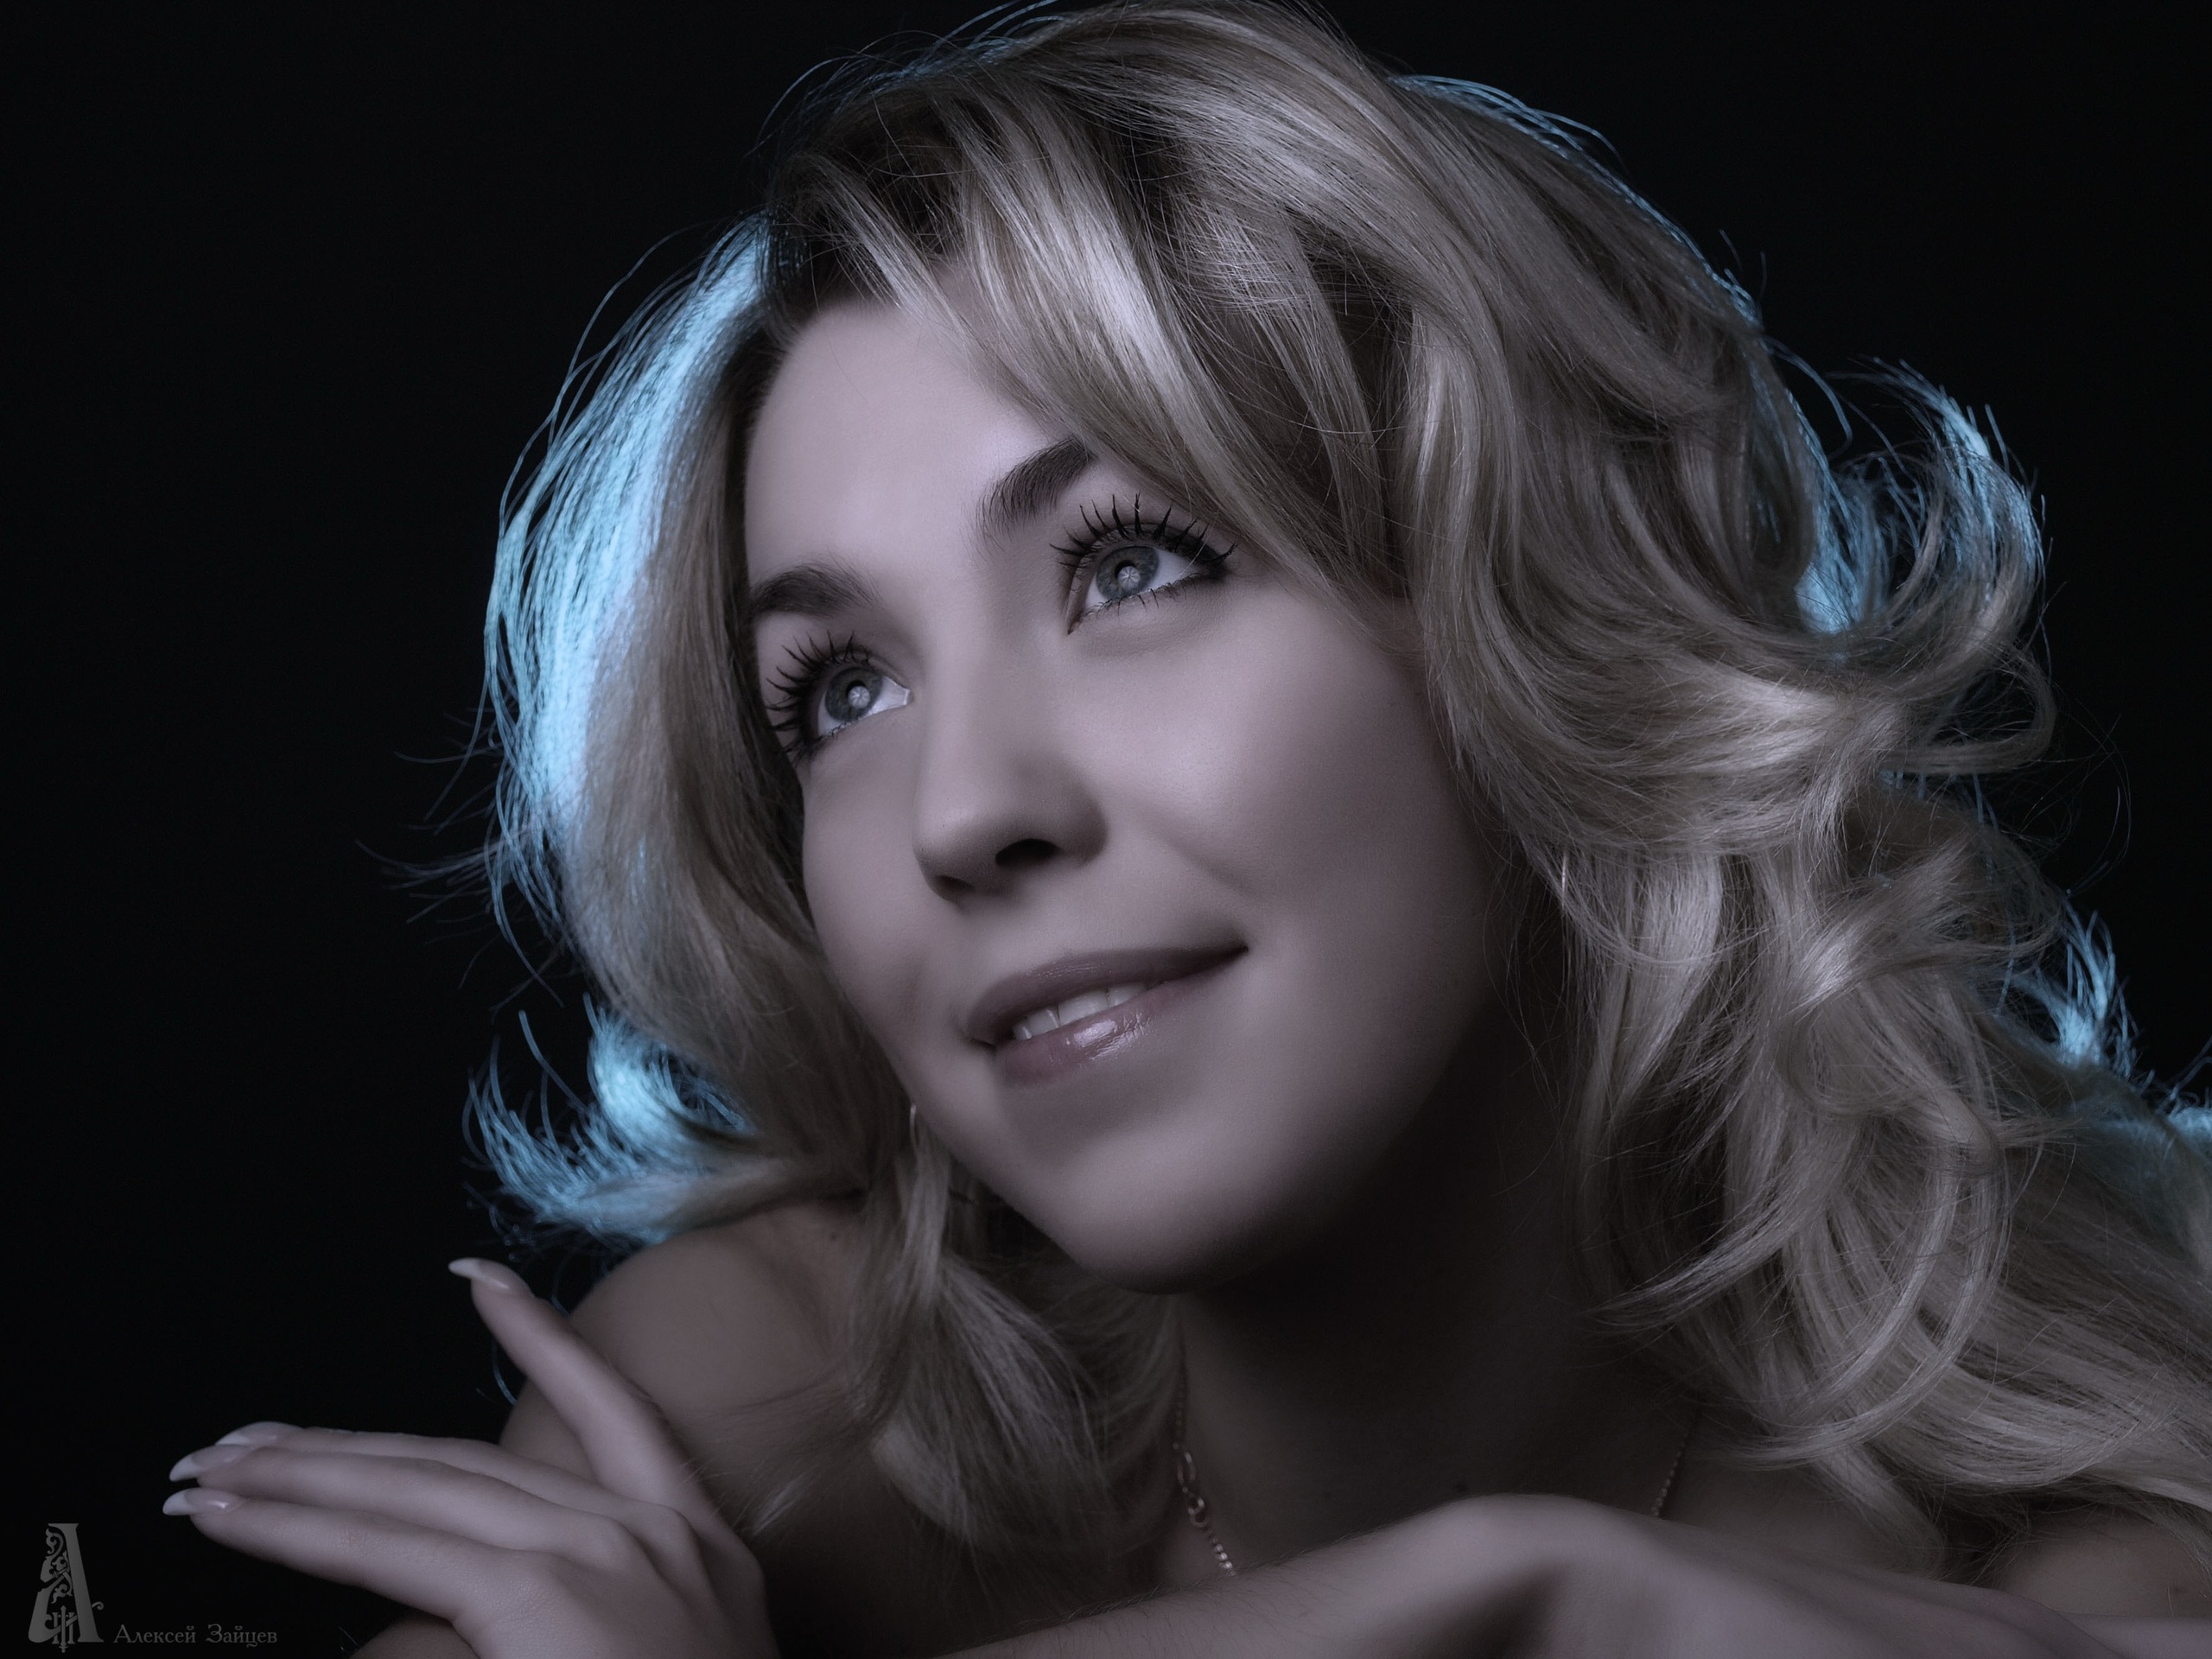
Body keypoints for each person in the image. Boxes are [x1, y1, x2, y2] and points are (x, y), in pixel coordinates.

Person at [159, 3, 2212, 1652]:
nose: (964, 811)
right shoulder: (766, 1418)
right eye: (840, 689)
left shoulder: (2080, 1489)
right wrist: (1518, 1598)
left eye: (1130, 564)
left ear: (1536, 621)